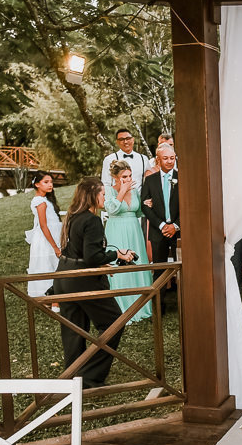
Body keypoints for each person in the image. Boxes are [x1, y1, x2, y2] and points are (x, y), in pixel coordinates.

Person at [56, 177, 137, 388]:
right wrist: (117, 254)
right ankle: (90, 377)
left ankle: (73, 378)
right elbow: (92, 256)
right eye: (103, 193)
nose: (105, 197)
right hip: (83, 281)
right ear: (93, 195)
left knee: (74, 330)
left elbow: (75, 252)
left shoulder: (73, 217)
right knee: (114, 323)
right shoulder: (91, 220)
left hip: (65, 278)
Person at [104, 161, 152, 323]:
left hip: (134, 230)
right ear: (115, 177)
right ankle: (121, 305)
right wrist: (122, 191)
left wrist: (145, 205)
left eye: (130, 176)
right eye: (124, 176)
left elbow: (137, 212)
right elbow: (111, 209)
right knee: (119, 265)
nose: (128, 179)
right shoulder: (109, 192)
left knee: (137, 265)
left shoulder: (135, 192)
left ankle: (140, 304)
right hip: (116, 230)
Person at [139, 143, 180, 310]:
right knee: (159, 270)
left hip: (179, 232)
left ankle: (184, 304)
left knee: (183, 269)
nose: (169, 161)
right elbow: (144, 206)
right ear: (158, 160)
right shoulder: (149, 180)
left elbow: (189, 205)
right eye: (166, 158)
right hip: (158, 232)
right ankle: (159, 307)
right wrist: (162, 225)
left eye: (172, 158)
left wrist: (175, 226)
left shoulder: (182, 177)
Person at [25, 171, 62, 299]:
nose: (50, 185)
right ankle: (46, 295)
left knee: (55, 266)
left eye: (51, 182)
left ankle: (56, 297)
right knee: (46, 265)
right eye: (46, 182)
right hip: (46, 240)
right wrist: (55, 247)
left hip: (54, 236)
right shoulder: (39, 201)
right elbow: (43, 225)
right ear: (37, 184)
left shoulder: (46, 199)